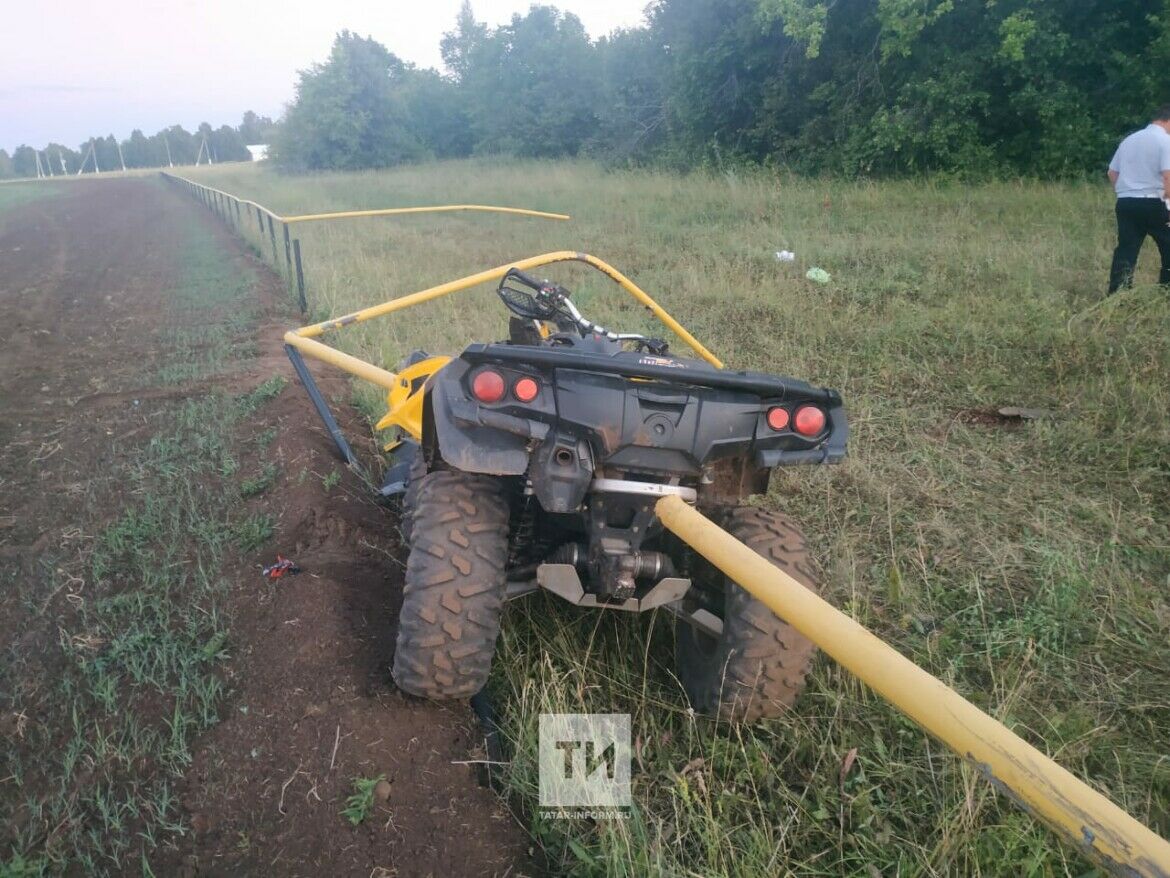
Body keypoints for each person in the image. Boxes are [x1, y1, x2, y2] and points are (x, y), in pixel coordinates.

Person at [1107, 104, 1170, 294]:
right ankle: (1166, 292)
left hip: (1126, 202)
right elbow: (1168, 176)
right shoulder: (1166, 141)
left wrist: (1126, 190)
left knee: (1126, 249)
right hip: (1155, 202)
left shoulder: (1129, 140)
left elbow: (1111, 172)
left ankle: (1118, 293)